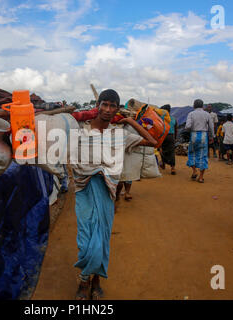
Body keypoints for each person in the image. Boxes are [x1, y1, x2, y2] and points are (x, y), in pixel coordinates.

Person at [71, 89, 157, 300]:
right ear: (97, 105)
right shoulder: (80, 130)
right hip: (84, 189)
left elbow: (153, 142)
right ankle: (84, 280)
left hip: (107, 191)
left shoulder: (121, 135)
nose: (108, 110)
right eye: (105, 104)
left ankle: (94, 280)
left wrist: (130, 120)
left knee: (101, 237)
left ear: (117, 109)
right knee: (85, 238)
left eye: (113, 106)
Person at [185, 99, 215, 183]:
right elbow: (211, 127)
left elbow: (187, 126)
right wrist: (212, 136)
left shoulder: (191, 114)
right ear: (202, 106)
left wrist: (191, 129)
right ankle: (201, 177)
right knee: (203, 156)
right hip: (203, 136)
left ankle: (194, 171)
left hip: (194, 135)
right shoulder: (207, 114)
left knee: (192, 153)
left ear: (194, 105)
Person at [159, 104, 177, 175]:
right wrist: (175, 138)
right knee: (172, 152)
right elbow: (176, 129)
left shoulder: (161, 118)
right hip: (171, 136)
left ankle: (163, 163)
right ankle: (173, 168)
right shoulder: (173, 118)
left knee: (161, 149)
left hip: (163, 136)